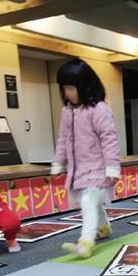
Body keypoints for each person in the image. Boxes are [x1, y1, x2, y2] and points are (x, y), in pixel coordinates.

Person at [51, 58, 121, 259]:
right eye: (64, 89)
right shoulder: (67, 112)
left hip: (98, 167)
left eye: (72, 88)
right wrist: (59, 163)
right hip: (78, 168)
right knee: (93, 200)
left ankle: (86, 241)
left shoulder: (99, 109)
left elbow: (109, 139)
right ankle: (104, 227)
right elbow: (63, 139)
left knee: (89, 200)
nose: (68, 93)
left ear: (85, 85)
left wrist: (112, 167)